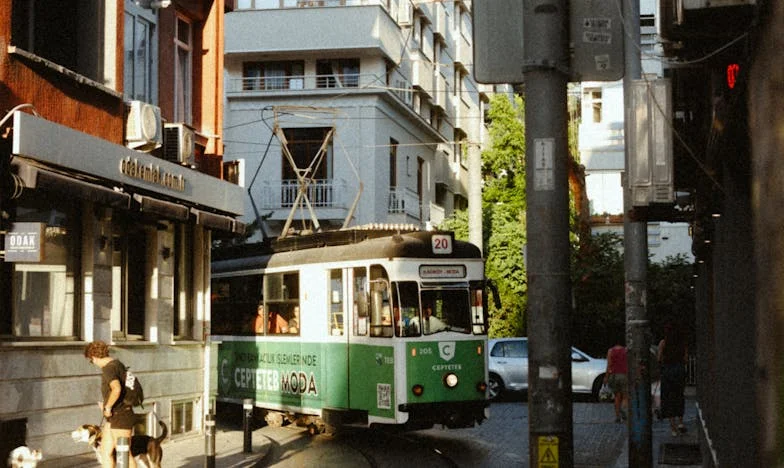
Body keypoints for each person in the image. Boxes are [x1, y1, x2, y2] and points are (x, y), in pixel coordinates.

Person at [84, 340, 137, 468]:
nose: (93, 363)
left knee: (124, 453)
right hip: (114, 416)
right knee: (105, 451)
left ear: (94, 357)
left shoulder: (109, 368)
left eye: (91, 361)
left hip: (121, 415)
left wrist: (107, 407)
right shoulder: (117, 364)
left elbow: (116, 388)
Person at [658, 322, 688, 436]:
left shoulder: (663, 343)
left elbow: (659, 358)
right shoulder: (682, 343)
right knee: (679, 396)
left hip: (668, 371)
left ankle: (673, 428)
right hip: (679, 370)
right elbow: (685, 359)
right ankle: (681, 422)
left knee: (668, 398)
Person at [604, 342, 629, 423]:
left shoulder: (610, 351)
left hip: (614, 375)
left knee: (617, 396)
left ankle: (617, 417)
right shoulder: (626, 350)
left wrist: (606, 377)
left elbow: (609, 365)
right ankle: (623, 409)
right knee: (625, 396)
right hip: (624, 375)